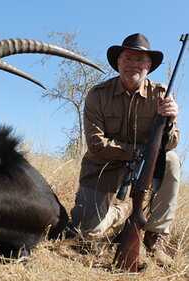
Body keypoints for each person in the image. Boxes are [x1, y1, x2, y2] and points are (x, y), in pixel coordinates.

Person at [70, 33, 181, 266]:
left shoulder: (162, 94)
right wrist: (140, 152)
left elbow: (170, 144)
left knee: (171, 161)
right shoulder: (97, 95)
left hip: (143, 169)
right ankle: (123, 214)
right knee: (86, 234)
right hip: (103, 167)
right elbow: (97, 145)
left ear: (148, 66)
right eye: (127, 58)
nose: (133, 64)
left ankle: (155, 236)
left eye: (140, 60)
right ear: (118, 63)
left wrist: (169, 122)